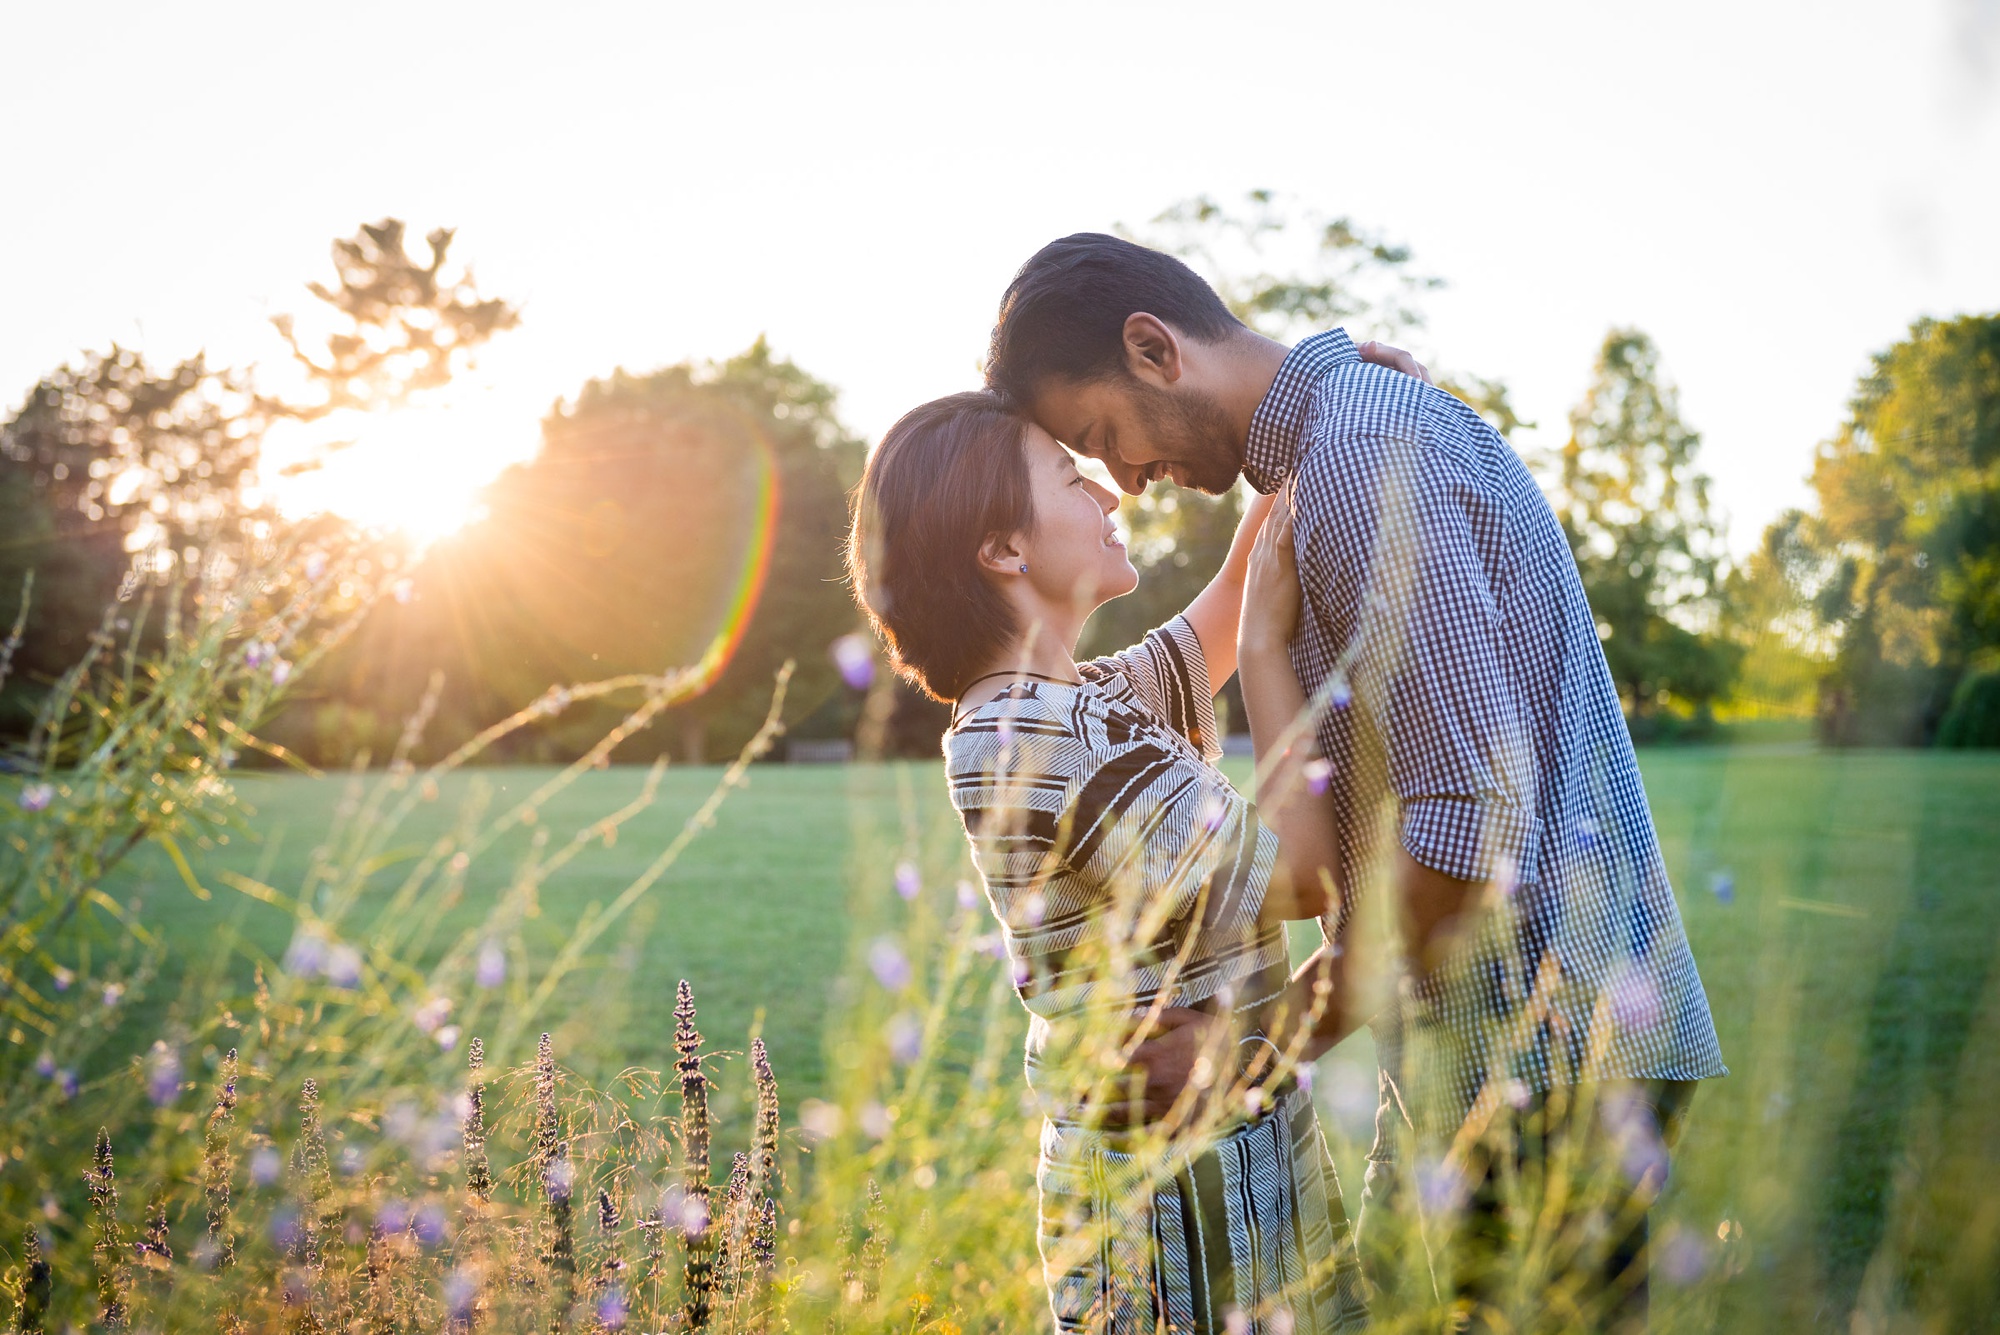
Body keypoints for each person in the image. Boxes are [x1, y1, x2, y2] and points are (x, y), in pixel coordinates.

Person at [982, 234, 1728, 1332]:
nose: (1126, 480)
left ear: (1151, 348)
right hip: (1488, 1050)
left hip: (1544, 1055)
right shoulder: (1341, 447)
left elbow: (1464, 830)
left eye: (1104, 438)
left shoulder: (1359, 453)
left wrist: (1252, 1046)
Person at [846, 391, 1375, 1333]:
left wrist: (1329, 423)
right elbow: (1301, 879)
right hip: (1176, 1203)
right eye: (1068, 475)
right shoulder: (1035, 740)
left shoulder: (1078, 703)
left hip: (1227, 1152)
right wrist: (1265, 649)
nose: (1109, 493)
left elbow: (1227, 595)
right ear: (1004, 550)